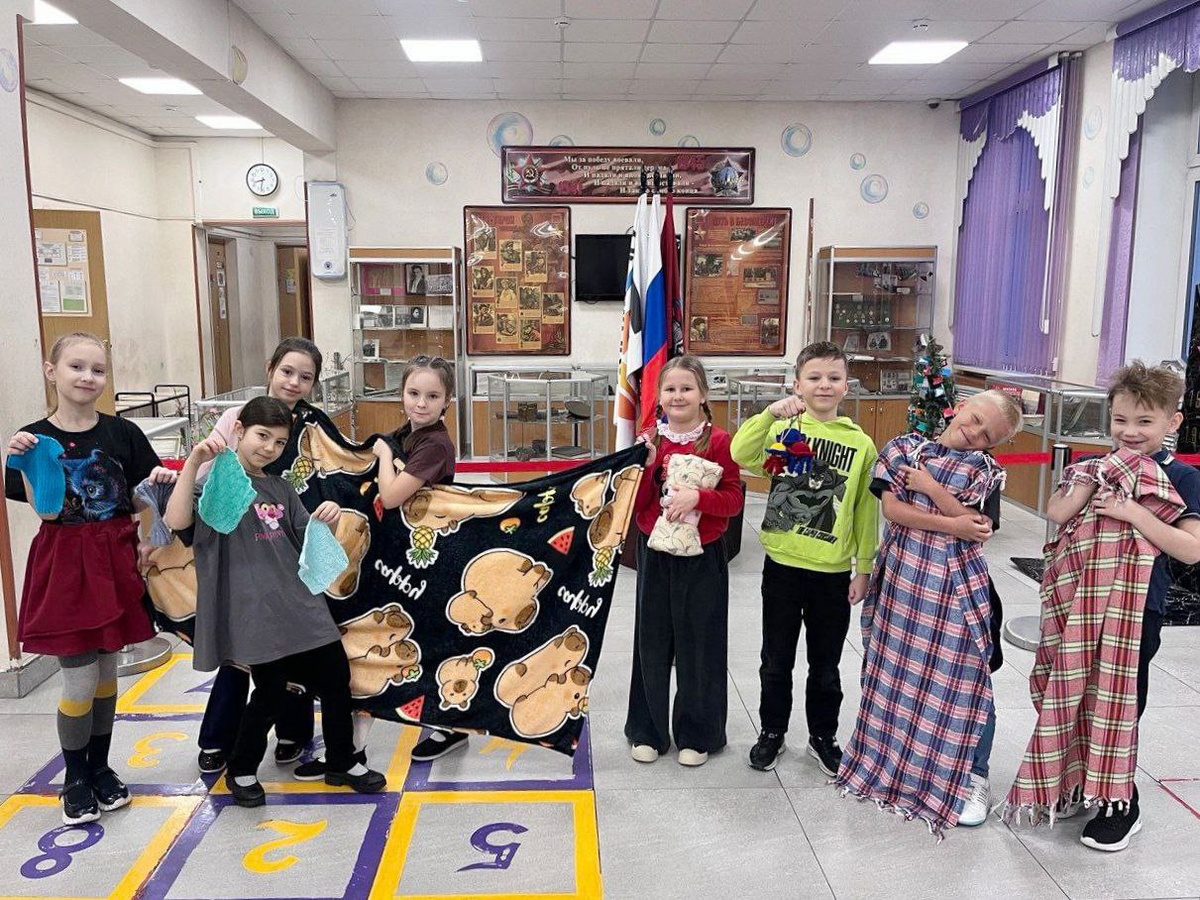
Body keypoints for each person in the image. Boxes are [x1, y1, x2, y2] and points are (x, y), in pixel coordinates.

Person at [1007, 362, 1200, 851]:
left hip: (1136, 611)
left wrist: (1132, 511)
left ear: (1173, 421)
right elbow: (1057, 512)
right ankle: (1075, 780)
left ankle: (1120, 801)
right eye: (1120, 420)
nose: (1130, 432)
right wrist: (1093, 482)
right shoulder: (1095, 466)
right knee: (1068, 690)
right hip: (1078, 603)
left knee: (1116, 703)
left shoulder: (1181, 476)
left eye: (1145, 421)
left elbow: (1190, 548)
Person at [164, 396, 386, 807]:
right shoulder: (213, 486)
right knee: (270, 693)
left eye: (279, 442)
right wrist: (193, 462)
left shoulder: (281, 487)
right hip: (255, 613)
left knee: (336, 680)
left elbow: (304, 540)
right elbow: (176, 521)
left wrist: (325, 518)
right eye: (262, 436)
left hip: (300, 605)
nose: (269, 447)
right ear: (239, 430)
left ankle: (342, 760)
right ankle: (242, 768)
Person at [5, 332, 176, 825]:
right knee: (79, 678)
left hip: (115, 560)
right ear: (51, 371)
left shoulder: (123, 434)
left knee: (105, 675)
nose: (87, 377)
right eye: (76, 367)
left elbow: (140, 496)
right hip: (65, 564)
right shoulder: (32, 437)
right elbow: (46, 509)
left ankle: (100, 768)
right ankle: (75, 776)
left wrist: (155, 508)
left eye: (97, 369)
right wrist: (23, 461)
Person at [835, 390, 1022, 838]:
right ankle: (897, 760)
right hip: (904, 582)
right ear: (961, 406)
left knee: (966, 678)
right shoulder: (904, 448)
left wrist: (933, 490)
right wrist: (951, 521)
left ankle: (974, 775)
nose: (974, 433)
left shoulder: (985, 473)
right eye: (975, 419)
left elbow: (977, 528)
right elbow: (893, 510)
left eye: (987, 435)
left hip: (958, 589)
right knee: (895, 673)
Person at [295, 355, 459, 771]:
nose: (421, 403)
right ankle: (354, 745)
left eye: (432, 396)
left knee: (392, 645)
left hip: (419, 561)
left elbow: (391, 495)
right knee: (375, 645)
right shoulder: (409, 433)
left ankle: (367, 744)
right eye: (413, 393)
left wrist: (385, 454)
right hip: (393, 555)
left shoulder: (435, 444)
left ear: (447, 401)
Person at [730, 341, 879, 776]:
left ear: (846, 386)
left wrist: (864, 568)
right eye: (814, 377)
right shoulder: (783, 430)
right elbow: (741, 454)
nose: (824, 385)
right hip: (782, 566)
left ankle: (823, 736)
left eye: (834, 378)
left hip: (832, 573)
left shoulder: (861, 444)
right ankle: (772, 731)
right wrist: (768, 415)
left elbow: (865, 510)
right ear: (797, 384)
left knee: (826, 664)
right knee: (776, 659)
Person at [192, 338, 325, 776]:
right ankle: (218, 738)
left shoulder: (315, 425)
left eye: (305, 377)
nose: (294, 382)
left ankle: (293, 733)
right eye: (287, 371)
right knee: (239, 653)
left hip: (287, 547)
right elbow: (208, 471)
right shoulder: (238, 416)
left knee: (294, 649)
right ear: (270, 368)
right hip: (240, 551)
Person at [624, 355, 744, 767]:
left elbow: (733, 500)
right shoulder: (648, 441)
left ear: (703, 394)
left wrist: (699, 498)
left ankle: (698, 734)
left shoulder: (721, 442)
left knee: (700, 643)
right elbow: (636, 503)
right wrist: (645, 468)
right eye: (670, 389)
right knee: (651, 640)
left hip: (704, 555)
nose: (678, 396)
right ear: (658, 397)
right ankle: (647, 730)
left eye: (687, 388)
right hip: (655, 552)